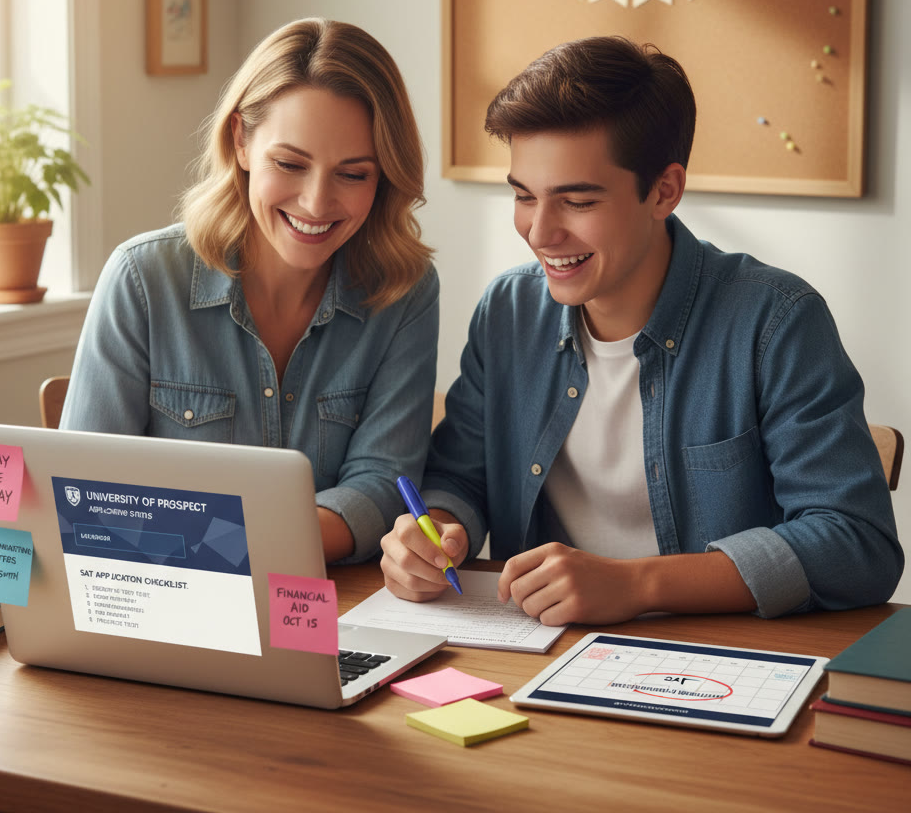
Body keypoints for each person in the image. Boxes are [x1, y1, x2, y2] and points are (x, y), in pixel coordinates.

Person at [381, 35, 903, 623]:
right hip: (539, 654)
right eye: (525, 196)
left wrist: (636, 586)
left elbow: (857, 543)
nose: (539, 231)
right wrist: (434, 534)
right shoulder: (508, 311)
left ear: (664, 190)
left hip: (718, 668)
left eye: (577, 202)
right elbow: (459, 477)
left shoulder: (776, 321)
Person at [61, 17, 438, 564]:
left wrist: (234, 541)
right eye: (290, 164)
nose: (315, 203)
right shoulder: (142, 280)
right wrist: (252, 540)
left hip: (328, 609)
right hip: (161, 601)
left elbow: (382, 487)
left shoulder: (404, 291)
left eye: (353, 174)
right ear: (240, 140)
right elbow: (84, 492)